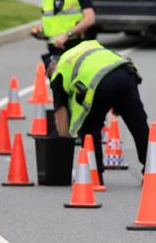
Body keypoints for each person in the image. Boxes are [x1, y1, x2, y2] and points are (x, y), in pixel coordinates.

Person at [48, 39, 149, 184]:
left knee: (89, 128)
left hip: (99, 84)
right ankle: (152, 171)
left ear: (51, 69)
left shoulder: (57, 73)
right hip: (125, 73)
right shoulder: (86, 46)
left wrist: (63, 144)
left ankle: (96, 176)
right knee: (139, 125)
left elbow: (60, 114)